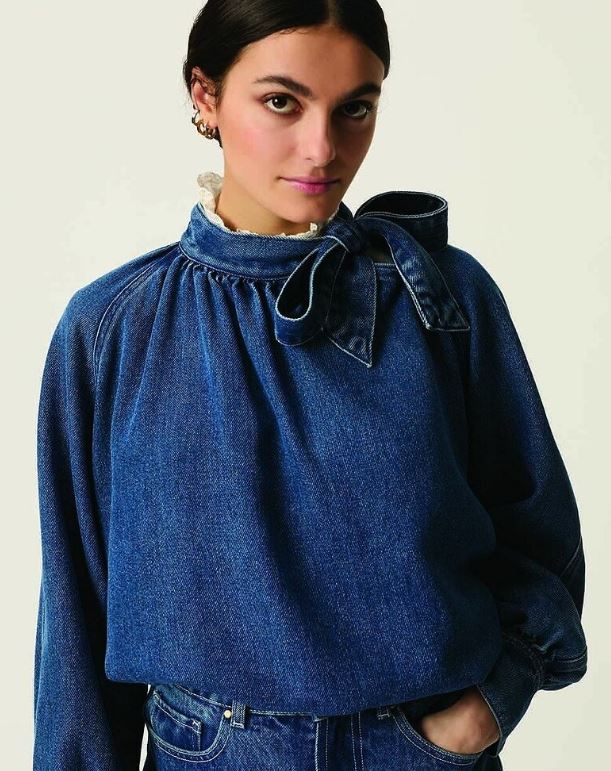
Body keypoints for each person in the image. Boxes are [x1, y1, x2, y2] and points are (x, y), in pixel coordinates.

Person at [32, 1, 588, 769]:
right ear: (204, 96)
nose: (322, 147)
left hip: (419, 751)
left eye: (354, 108)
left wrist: (486, 707)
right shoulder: (112, 327)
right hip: (213, 753)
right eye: (281, 102)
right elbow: (76, 611)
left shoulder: (441, 298)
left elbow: (540, 539)